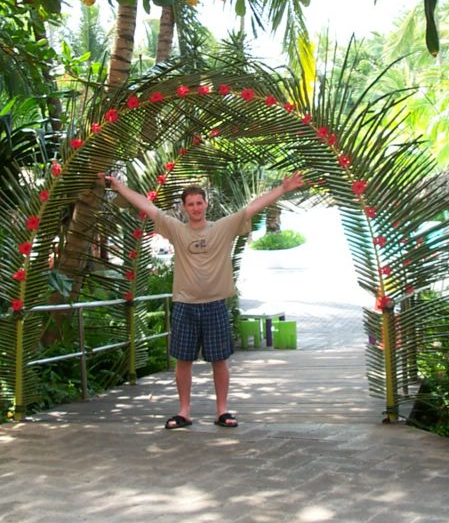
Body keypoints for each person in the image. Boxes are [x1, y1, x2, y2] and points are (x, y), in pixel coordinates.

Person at [103, 171, 305, 429]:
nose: (196, 208)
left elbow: (252, 207)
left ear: (206, 204)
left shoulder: (222, 227)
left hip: (215, 305)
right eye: (191, 204)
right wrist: (119, 186)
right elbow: (147, 206)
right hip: (185, 306)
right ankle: (184, 411)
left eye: (199, 203)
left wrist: (283, 189)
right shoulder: (176, 229)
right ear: (184, 208)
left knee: (219, 361)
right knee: (183, 361)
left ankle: (222, 411)